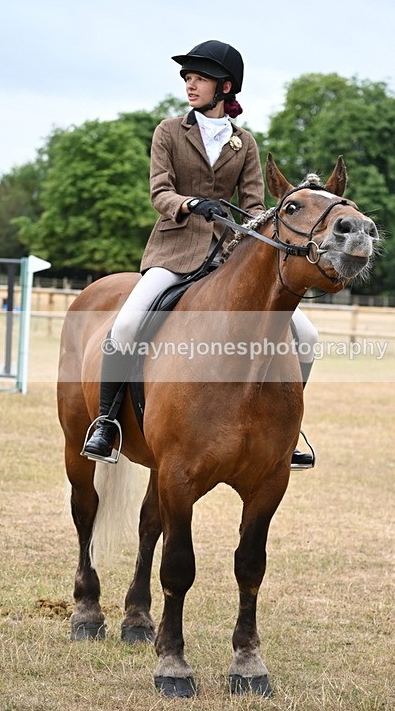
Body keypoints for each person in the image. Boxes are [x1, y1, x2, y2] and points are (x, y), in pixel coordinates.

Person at [83, 40, 317, 467]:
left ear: (224, 87)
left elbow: (252, 206)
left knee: (308, 336)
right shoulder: (169, 131)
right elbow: (159, 192)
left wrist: (255, 227)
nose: (190, 85)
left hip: (228, 257)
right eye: (188, 78)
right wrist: (190, 204)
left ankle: (289, 428)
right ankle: (106, 422)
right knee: (126, 327)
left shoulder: (243, 143)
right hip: (174, 251)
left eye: (200, 78)